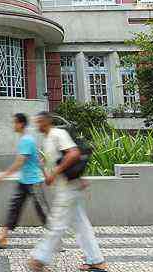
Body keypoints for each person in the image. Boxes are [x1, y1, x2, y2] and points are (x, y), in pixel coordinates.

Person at [27, 112, 107, 272]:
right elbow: (58, 161)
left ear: (48, 122)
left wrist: (55, 172)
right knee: (81, 225)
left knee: (56, 223)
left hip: (68, 189)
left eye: (40, 122)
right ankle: (96, 260)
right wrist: (46, 170)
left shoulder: (58, 133)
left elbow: (73, 153)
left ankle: (39, 259)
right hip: (69, 186)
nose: (38, 125)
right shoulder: (48, 139)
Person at [0, 113, 48, 248]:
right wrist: (45, 174)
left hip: (33, 182)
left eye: (15, 122)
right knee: (14, 208)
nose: (13, 125)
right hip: (24, 181)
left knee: (43, 212)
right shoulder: (26, 140)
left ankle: (56, 240)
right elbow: (38, 161)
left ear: (21, 124)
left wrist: (2, 175)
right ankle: (3, 237)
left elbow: (20, 162)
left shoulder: (26, 140)